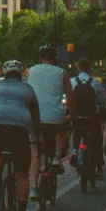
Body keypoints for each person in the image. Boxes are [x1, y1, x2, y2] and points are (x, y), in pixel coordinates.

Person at [0, 60, 43, 211]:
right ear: (20, 74)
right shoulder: (28, 89)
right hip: (19, 131)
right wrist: (36, 137)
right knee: (21, 174)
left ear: (4, 74)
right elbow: (35, 116)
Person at [26, 45, 75, 186]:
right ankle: (56, 157)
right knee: (63, 131)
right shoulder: (62, 73)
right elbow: (70, 97)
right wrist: (71, 113)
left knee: (36, 151)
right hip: (55, 116)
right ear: (55, 58)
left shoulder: (32, 71)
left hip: (35, 117)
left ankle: (34, 186)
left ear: (40, 57)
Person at [70, 58, 106, 181]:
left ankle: (75, 150)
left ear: (78, 68)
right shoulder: (95, 83)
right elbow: (105, 101)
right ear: (89, 68)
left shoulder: (72, 82)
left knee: (76, 131)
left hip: (77, 117)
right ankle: (99, 166)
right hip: (92, 117)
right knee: (97, 138)